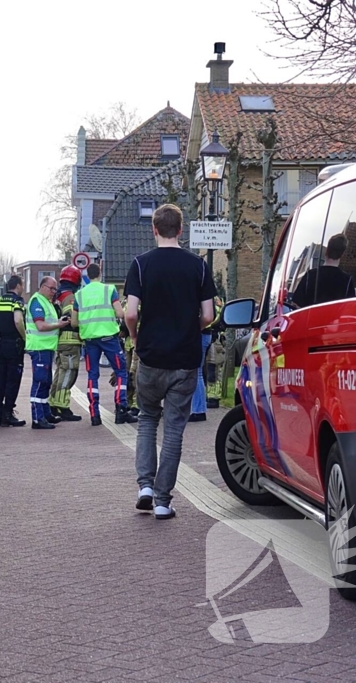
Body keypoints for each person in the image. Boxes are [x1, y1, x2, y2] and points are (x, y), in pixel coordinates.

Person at [124, 204, 216, 520]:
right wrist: (190, 329)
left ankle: (145, 487)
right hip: (185, 358)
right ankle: (163, 501)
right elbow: (208, 315)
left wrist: (136, 337)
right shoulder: (198, 266)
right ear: (180, 230)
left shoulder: (140, 264)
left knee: (148, 420)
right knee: (174, 429)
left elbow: (131, 313)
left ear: (154, 229)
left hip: (151, 356)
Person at [75, 262, 136, 426]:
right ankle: (121, 409)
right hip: (109, 337)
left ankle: (94, 414)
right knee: (121, 371)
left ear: (87, 275)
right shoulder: (109, 290)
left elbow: (74, 321)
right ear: (99, 273)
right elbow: (120, 313)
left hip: (89, 340)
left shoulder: (79, 295)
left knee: (92, 375)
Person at [26, 276, 72, 429]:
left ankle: (45, 413)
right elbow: (40, 326)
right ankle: (37, 418)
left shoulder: (47, 302)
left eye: (55, 289)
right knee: (40, 382)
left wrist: (59, 322)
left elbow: (49, 322)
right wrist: (59, 324)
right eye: (51, 288)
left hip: (46, 347)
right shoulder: (37, 301)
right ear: (42, 287)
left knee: (46, 381)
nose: (53, 292)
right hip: (39, 347)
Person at [0, 275, 27, 427]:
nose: (23, 287)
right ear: (18, 286)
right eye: (22, 285)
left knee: (1, 378)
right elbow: (18, 320)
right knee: (13, 379)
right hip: (15, 344)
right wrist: (24, 337)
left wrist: (0, 328)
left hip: (2, 343)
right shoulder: (17, 301)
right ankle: (8, 413)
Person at [48, 265, 84, 422]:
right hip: (70, 340)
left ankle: (53, 402)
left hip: (60, 339)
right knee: (69, 373)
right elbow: (71, 317)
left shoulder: (57, 295)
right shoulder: (70, 297)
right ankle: (62, 406)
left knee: (60, 372)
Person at [291, 233, 356, 309]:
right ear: (342, 254)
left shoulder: (310, 276)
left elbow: (295, 305)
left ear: (326, 251)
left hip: (311, 316)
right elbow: (350, 309)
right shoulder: (347, 281)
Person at [190, 294, 224, 421]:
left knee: (197, 372)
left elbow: (209, 316)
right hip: (206, 333)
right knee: (197, 372)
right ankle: (198, 408)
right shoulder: (209, 295)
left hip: (201, 333)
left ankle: (198, 410)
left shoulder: (200, 294)